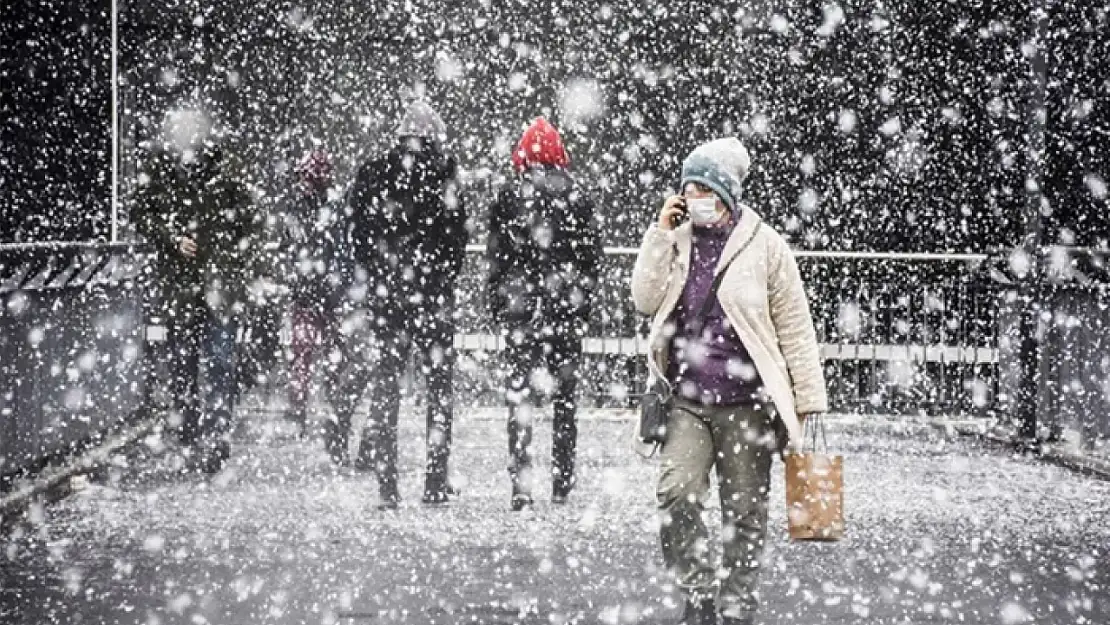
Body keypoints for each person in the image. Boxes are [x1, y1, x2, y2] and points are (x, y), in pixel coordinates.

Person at [630, 138, 828, 625]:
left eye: (703, 187)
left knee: (744, 512)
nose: (695, 196)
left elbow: (795, 326)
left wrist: (808, 400)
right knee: (676, 493)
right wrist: (659, 232)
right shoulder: (677, 240)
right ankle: (697, 595)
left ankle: (737, 604)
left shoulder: (766, 246)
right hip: (688, 399)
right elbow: (642, 298)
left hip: (746, 403)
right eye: (688, 188)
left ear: (726, 191)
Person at [343, 100, 468, 507]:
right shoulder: (444, 175)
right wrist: (439, 278)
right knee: (439, 390)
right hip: (432, 298)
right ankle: (434, 481)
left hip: (387, 297)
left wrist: (378, 276)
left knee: (386, 387)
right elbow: (456, 240)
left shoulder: (373, 173)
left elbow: (357, 235)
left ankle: (387, 485)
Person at [134, 109, 258, 474]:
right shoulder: (161, 173)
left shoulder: (226, 175)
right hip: (185, 288)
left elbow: (252, 223)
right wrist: (173, 239)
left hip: (215, 287)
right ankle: (192, 434)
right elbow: (140, 212)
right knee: (186, 365)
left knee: (217, 363)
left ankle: (214, 437)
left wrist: (231, 258)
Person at [487, 117, 601, 510]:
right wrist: (580, 302)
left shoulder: (508, 196)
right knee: (565, 401)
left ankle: (521, 483)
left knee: (520, 398)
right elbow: (591, 260)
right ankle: (562, 480)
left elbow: (497, 257)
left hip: (523, 312)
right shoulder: (577, 195)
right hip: (564, 310)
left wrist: (501, 302)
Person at [278, 148, 349, 437]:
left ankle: (301, 414)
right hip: (325, 291)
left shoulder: (299, 208)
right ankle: (330, 411)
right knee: (326, 356)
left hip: (310, 291)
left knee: (303, 356)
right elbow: (342, 247)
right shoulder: (333, 205)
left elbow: (292, 246)